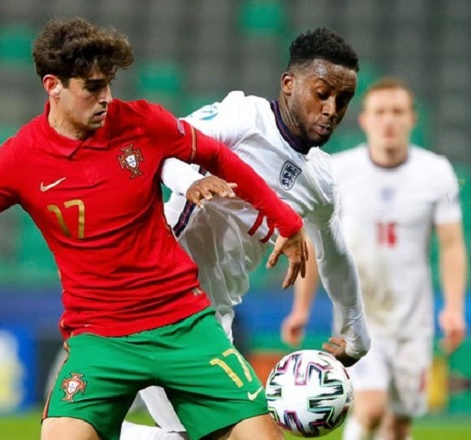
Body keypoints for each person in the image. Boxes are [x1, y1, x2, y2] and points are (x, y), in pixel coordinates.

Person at [0, 18, 310, 440]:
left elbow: (219, 156)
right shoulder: (15, 161)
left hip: (183, 322)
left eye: (109, 85)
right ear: (53, 86)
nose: (107, 98)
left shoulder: (143, 122)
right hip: (99, 338)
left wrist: (286, 222)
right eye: (92, 87)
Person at [121, 28, 371, 440]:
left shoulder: (321, 181)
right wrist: (189, 181)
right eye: (322, 93)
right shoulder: (242, 118)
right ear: (289, 84)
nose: (331, 109)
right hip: (163, 298)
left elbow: (335, 256)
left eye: (342, 100)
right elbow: (158, 148)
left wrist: (356, 334)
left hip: (213, 317)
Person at [291, 77, 468, 440]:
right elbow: (315, 240)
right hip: (359, 314)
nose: (389, 120)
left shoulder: (437, 173)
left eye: (397, 112)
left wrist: (454, 308)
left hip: (413, 320)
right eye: (380, 112)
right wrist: (301, 308)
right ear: (365, 120)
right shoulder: (338, 171)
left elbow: (451, 244)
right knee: (370, 408)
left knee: (399, 424)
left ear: (412, 119)